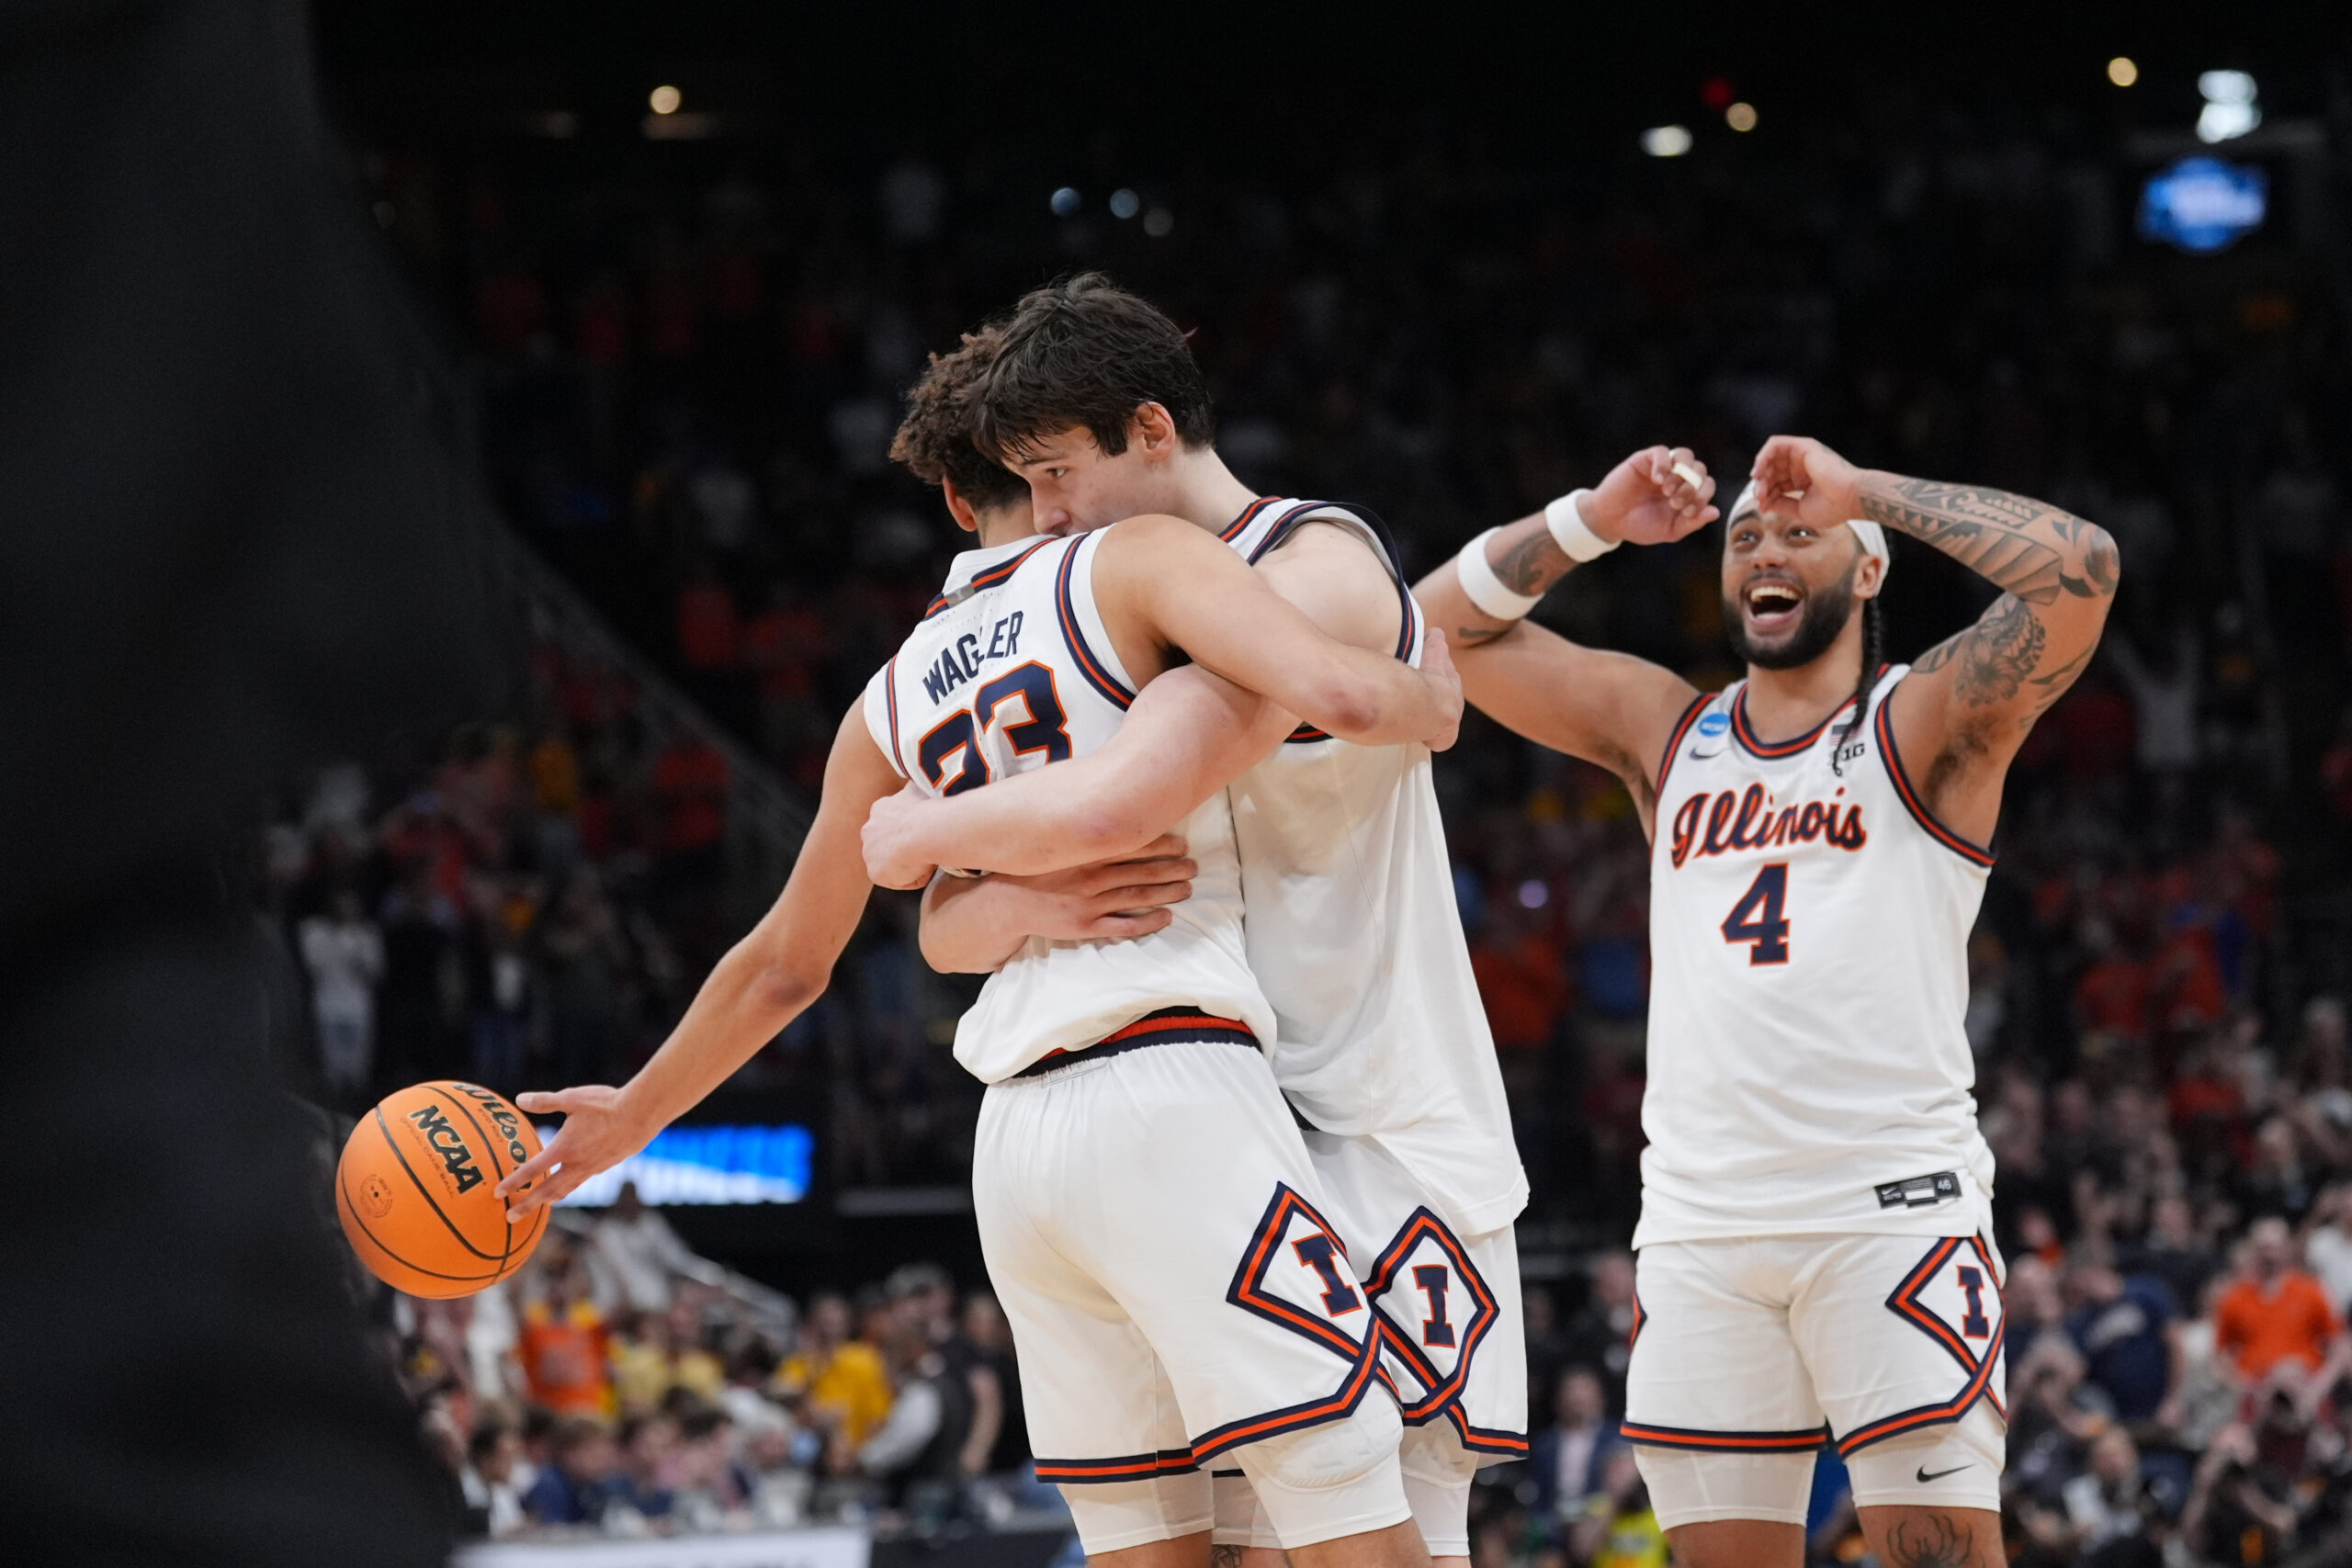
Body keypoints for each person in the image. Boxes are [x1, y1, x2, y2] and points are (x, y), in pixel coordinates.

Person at [507, 309, 1456, 1568]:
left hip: (1013, 1148)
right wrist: (1434, 690)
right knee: (1353, 1523)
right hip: (1175, 1087)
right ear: (1028, 468)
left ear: (955, 504)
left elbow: (786, 963)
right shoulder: (1139, 560)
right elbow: (1335, 691)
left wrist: (633, 1114)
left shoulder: (887, 697)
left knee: (1149, 1546)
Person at [861, 282, 1713, 1568]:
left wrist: (929, 833)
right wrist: (1584, 520)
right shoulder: (1138, 602)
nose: (1046, 517)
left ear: (1153, 430)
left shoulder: (1304, 567)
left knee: (1381, 1534)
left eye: (1058, 476)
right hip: (1227, 1115)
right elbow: (1432, 613)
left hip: (1376, 1120)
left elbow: (1142, 781)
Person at [1414, 436, 2122, 1568]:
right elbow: (1429, 632)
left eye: (1801, 532)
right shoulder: (1666, 731)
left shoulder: (1922, 722)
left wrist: (1868, 491)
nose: (1764, 551)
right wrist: (1593, 519)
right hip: (1700, 1230)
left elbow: (2080, 569)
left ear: (1869, 569)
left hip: (1884, 1215)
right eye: (1745, 535)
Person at [299, 887, 386, 1100]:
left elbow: (375, 971)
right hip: (328, 1006)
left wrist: (353, 940)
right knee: (332, 1065)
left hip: (358, 1008)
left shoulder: (366, 934)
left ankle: (356, 1102)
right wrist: (337, 938)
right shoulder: (315, 932)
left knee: (358, 1066)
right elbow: (313, 965)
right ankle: (333, 1102)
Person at [1531, 1368, 1628, 1526]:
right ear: (1559, 1401)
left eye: (1584, 1392)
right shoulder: (1545, 1445)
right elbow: (1538, 1494)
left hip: (1605, 1520)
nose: (1577, 1398)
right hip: (1555, 1522)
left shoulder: (1617, 1440)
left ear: (1600, 1399)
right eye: (1571, 1392)